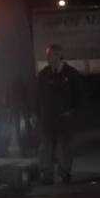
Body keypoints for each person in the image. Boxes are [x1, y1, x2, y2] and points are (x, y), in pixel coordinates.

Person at [36, 44, 83, 184]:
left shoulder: (71, 74)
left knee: (65, 146)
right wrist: (37, 114)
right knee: (46, 147)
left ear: (59, 55)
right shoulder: (44, 75)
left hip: (65, 118)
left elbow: (79, 95)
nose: (48, 58)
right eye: (47, 56)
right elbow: (38, 96)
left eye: (51, 55)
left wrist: (73, 111)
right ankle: (47, 174)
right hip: (48, 118)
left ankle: (65, 172)